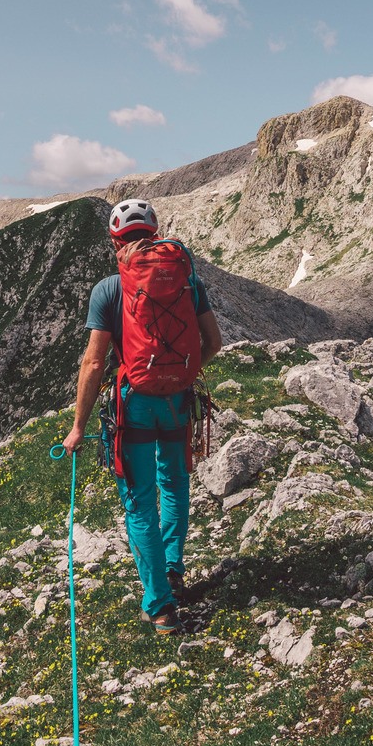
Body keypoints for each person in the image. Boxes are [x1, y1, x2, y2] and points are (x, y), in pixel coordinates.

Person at [61, 198, 222, 634]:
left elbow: (94, 363)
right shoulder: (189, 281)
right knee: (174, 483)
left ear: (116, 242)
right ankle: (173, 571)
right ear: (155, 233)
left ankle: (161, 606)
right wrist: (184, 375)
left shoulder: (109, 290)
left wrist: (78, 427)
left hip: (133, 403)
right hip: (177, 401)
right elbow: (214, 341)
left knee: (139, 503)